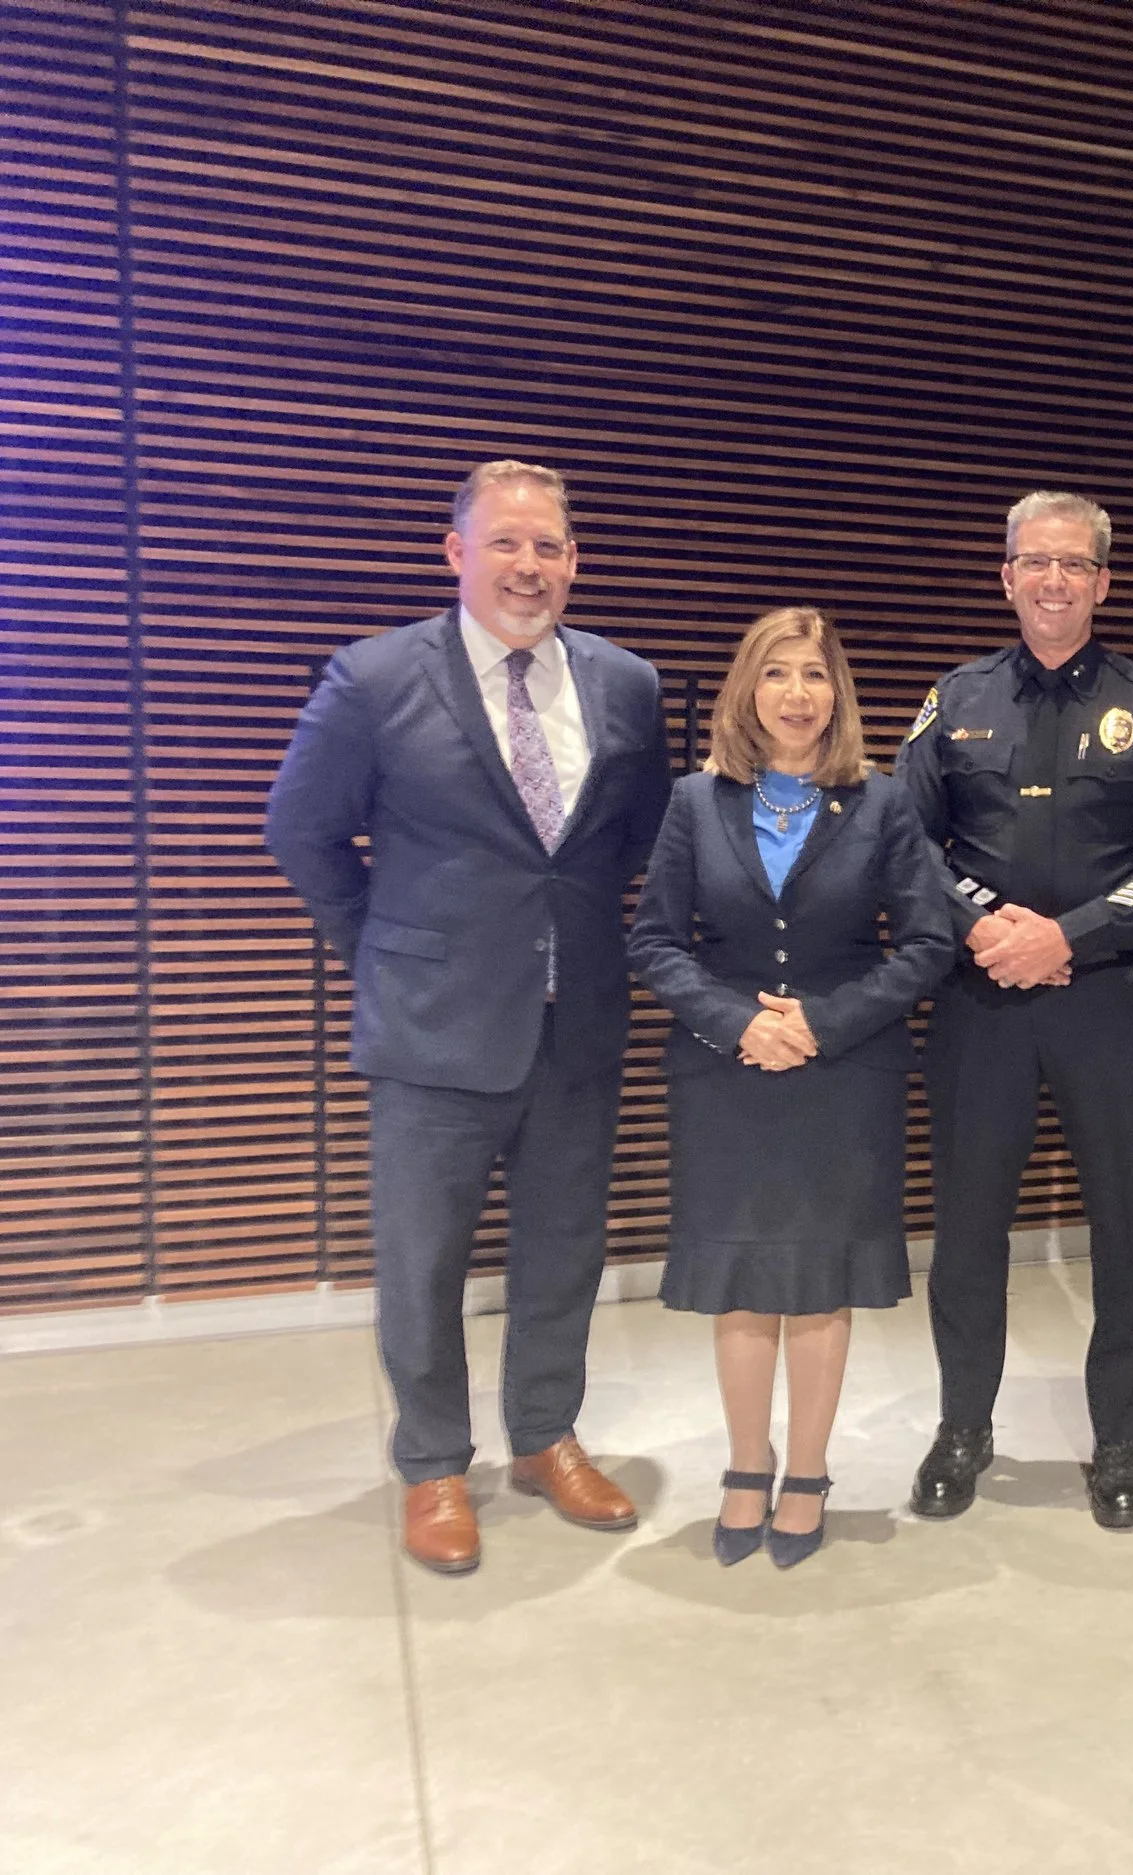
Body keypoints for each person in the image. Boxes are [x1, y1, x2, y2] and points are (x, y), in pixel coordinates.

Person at [265, 459, 671, 1575]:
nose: (528, 566)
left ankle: (545, 1436)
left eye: (549, 547)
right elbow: (300, 831)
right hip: (432, 1029)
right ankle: (435, 1462)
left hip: (576, 1022)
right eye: (506, 543)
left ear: (574, 561)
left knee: (563, 1250)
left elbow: (635, 842)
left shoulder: (628, 685)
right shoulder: (375, 678)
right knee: (423, 1259)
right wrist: (383, 948)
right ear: (457, 553)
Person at [896, 491, 1133, 1530]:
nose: (1052, 580)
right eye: (1033, 562)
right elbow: (906, 845)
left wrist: (1065, 937)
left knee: (1129, 1230)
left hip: (1112, 1006)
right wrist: (991, 926)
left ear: (1102, 582)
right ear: (1004, 576)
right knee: (968, 1228)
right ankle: (962, 1430)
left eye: (1074, 565)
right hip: (980, 1000)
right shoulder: (954, 701)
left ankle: (1119, 1439)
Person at [627, 607, 953, 1568]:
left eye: (815, 675)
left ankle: (805, 1470)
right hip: (725, 1077)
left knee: (817, 1283)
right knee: (739, 1281)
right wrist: (740, 1023)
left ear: (837, 693)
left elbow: (929, 943)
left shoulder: (884, 804)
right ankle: (744, 1463)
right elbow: (653, 940)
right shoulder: (695, 802)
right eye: (777, 675)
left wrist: (821, 1021)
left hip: (843, 1079)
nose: (798, 694)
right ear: (748, 690)